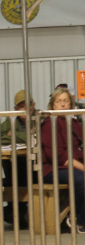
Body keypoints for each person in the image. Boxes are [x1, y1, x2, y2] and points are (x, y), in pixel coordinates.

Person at [41, 87, 85, 233]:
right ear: (53, 105)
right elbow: (57, 156)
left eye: (66, 101)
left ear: (71, 104)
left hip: (73, 165)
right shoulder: (49, 124)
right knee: (82, 178)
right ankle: (80, 220)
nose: (63, 104)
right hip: (53, 168)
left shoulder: (75, 123)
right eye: (59, 101)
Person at [0, 90, 37, 227]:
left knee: (18, 171)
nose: (24, 109)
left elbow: (39, 137)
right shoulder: (10, 120)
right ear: (15, 109)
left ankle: (14, 211)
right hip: (18, 163)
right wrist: (28, 135)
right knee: (13, 169)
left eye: (27, 105)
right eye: (21, 106)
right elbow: (0, 136)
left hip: (37, 164)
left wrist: (13, 135)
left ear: (33, 105)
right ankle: (16, 212)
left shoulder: (40, 118)